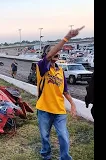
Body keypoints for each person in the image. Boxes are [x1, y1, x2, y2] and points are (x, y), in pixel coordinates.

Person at [36, 26, 85, 160]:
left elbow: (65, 91)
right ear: (48, 56)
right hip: (44, 109)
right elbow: (50, 54)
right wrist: (67, 38)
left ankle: (65, 158)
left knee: (63, 135)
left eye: (57, 55)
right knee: (44, 137)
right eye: (53, 55)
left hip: (59, 110)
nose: (55, 57)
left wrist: (73, 105)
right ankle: (46, 157)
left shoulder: (60, 72)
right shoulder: (42, 67)